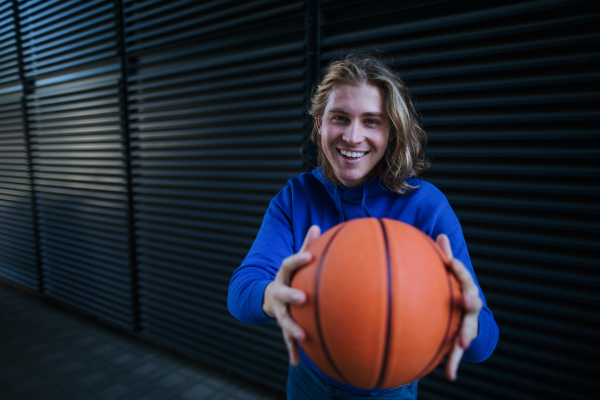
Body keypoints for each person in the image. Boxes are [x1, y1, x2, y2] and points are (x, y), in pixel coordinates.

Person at [228, 53, 499, 399]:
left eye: (372, 121)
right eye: (340, 117)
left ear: (390, 131)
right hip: (307, 383)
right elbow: (240, 292)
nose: (353, 137)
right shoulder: (296, 197)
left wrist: (464, 320)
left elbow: (484, 342)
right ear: (319, 124)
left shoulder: (426, 207)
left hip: (389, 391)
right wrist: (271, 296)